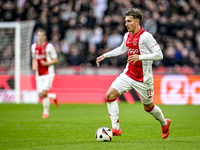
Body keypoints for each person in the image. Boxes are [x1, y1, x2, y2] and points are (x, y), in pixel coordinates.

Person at [96, 8, 171, 139]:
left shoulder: (146, 37)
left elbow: (160, 55)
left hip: (143, 79)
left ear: (137, 22)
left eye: (129, 21)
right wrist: (105, 55)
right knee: (110, 95)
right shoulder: (127, 35)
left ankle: (164, 123)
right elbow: (122, 49)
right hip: (128, 74)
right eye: (125, 21)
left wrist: (140, 57)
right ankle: (116, 128)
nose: (126, 24)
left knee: (148, 107)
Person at [32, 28, 59, 118]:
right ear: (36, 37)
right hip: (38, 74)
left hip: (48, 73)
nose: (39, 37)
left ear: (45, 37)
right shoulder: (33, 47)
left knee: (44, 92)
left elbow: (55, 59)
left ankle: (45, 113)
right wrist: (33, 66)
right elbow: (33, 58)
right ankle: (53, 96)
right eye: (38, 35)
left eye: (41, 36)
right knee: (41, 95)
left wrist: (46, 63)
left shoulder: (49, 47)